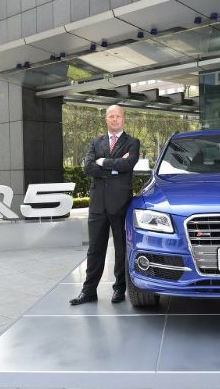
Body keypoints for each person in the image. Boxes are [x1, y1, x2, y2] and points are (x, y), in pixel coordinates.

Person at [70, 105, 140, 306]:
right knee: (94, 249)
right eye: (111, 116)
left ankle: (119, 289)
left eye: (118, 116)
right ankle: (88, 291)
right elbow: (88, 168)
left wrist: (103, 162)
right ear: (106, 119)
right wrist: (114, 166)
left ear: (123, 119)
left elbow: (129, 165)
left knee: (120, 248)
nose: (115, 119)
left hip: (120, 204)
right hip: (98, 204)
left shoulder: (132, 142)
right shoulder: (96, 142)